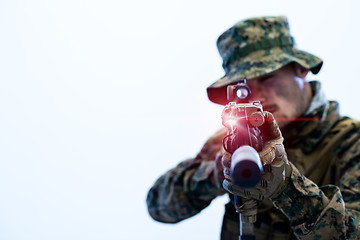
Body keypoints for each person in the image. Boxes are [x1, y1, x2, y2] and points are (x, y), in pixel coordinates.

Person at [146, 16, 360, 239]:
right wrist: (215, 174)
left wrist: (287, 186)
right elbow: (159, 206)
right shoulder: (228, 140)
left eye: (267, 77)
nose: (258, 97)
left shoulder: (351, 141)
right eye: (244, 88)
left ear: (300, 68)